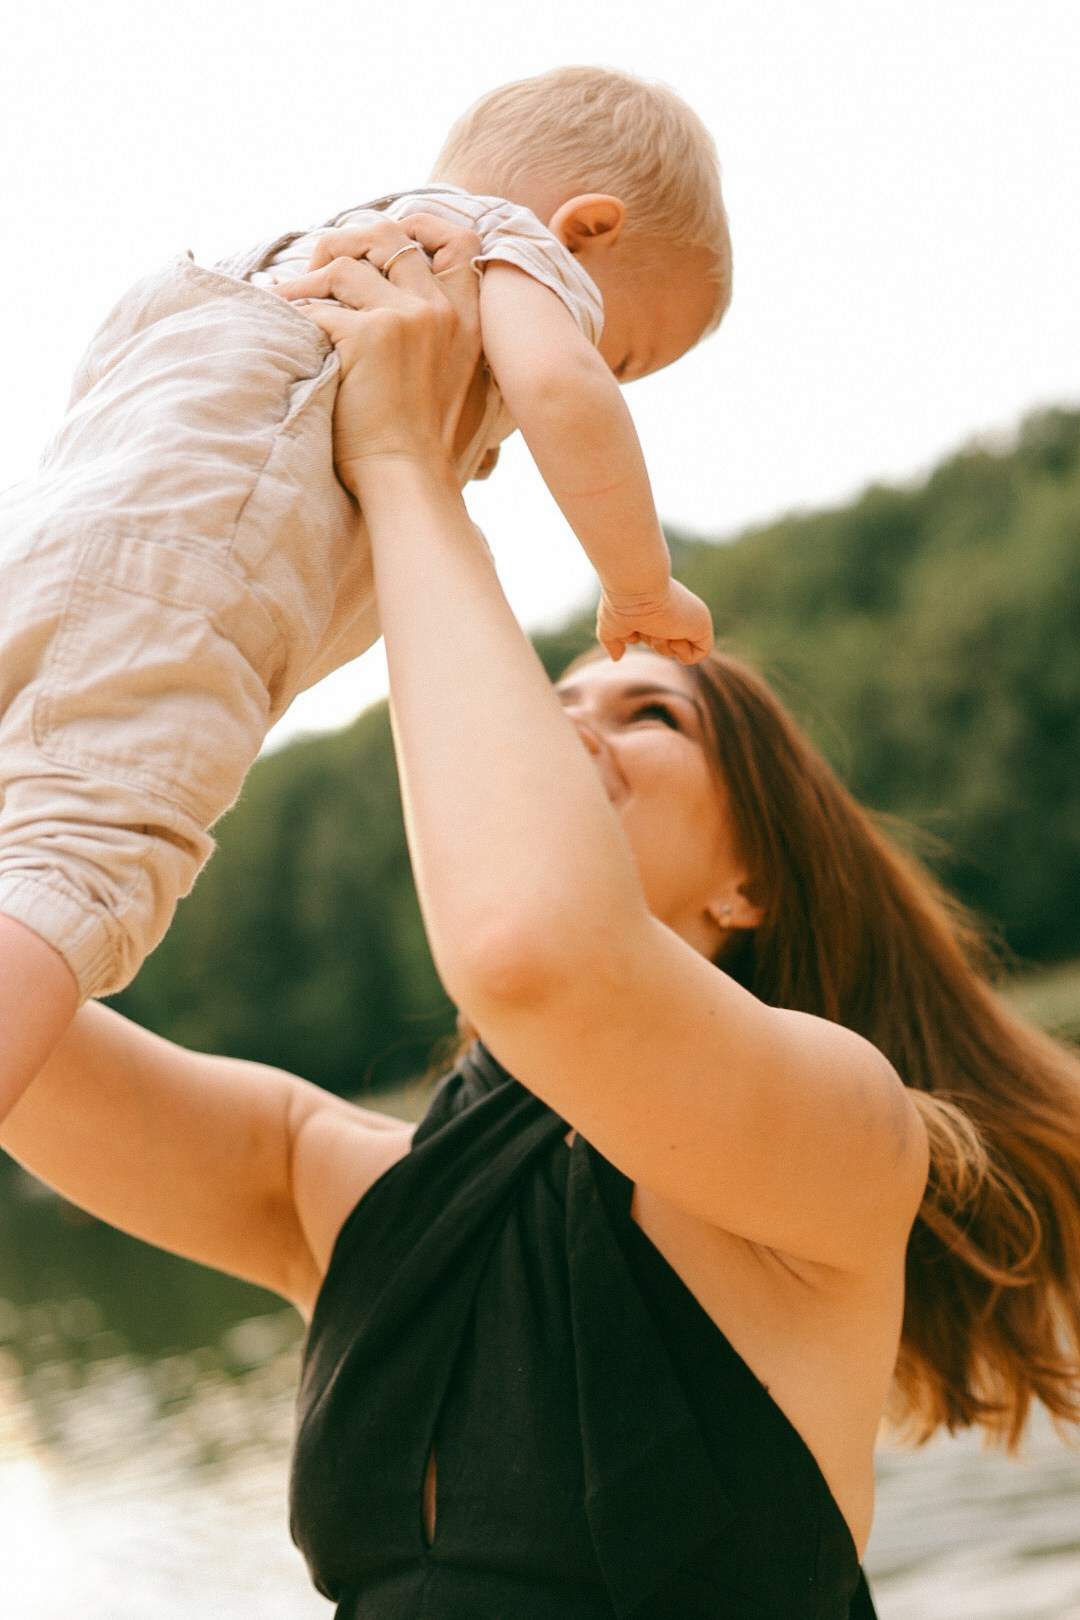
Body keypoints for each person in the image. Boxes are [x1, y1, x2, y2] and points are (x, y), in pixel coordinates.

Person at [5, 220, 1080, 1620]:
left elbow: (540, 957)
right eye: (548, 701)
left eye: (650, 712)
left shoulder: (847, 1133)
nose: (569, 726)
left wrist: (401, 465)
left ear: (748, 882)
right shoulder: (333, 1189)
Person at [0, 64, 723, 1125]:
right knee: (84, 856)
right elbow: (563, 389)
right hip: (189, 582)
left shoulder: (299, 253)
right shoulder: (508, 250)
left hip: (52, 526)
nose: (598, 367)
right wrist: (640, 583)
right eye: (627, 351)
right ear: (588, 230)